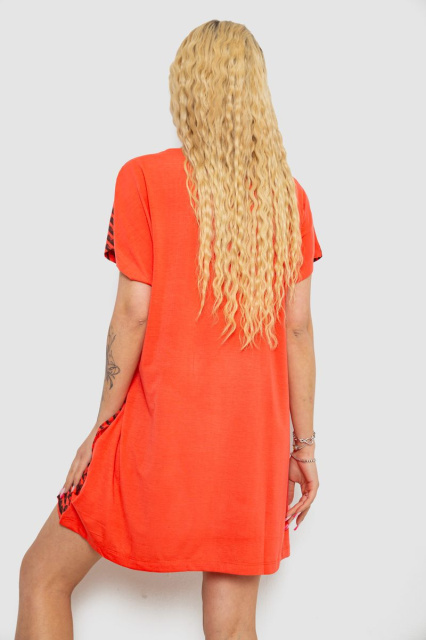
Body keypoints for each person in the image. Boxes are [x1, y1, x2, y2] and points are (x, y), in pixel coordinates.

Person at [15, 19, 323, 640]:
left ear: (185, 88)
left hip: (159, 431)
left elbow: (133, 313)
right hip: (250, 445)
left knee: (42, 578)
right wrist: (305, 447)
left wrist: (99, 430)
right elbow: (298, 330)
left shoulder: (143, 178)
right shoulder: (287, 198)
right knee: (232, 628)